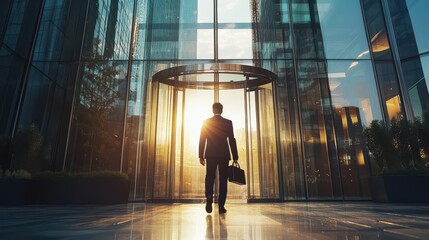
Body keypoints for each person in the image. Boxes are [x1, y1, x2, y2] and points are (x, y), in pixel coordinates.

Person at [199, 102, 238, 214]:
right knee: (223, 179)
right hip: (224, 155)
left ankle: (209, 198)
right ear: (222, 110)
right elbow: (231, 139)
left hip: (210, 154)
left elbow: (202, 139)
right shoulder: (228, 122)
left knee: (209, 177)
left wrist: (201, 156)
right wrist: (235, 156)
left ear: (212, 110)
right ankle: (221, 206)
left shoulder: (206, 122)